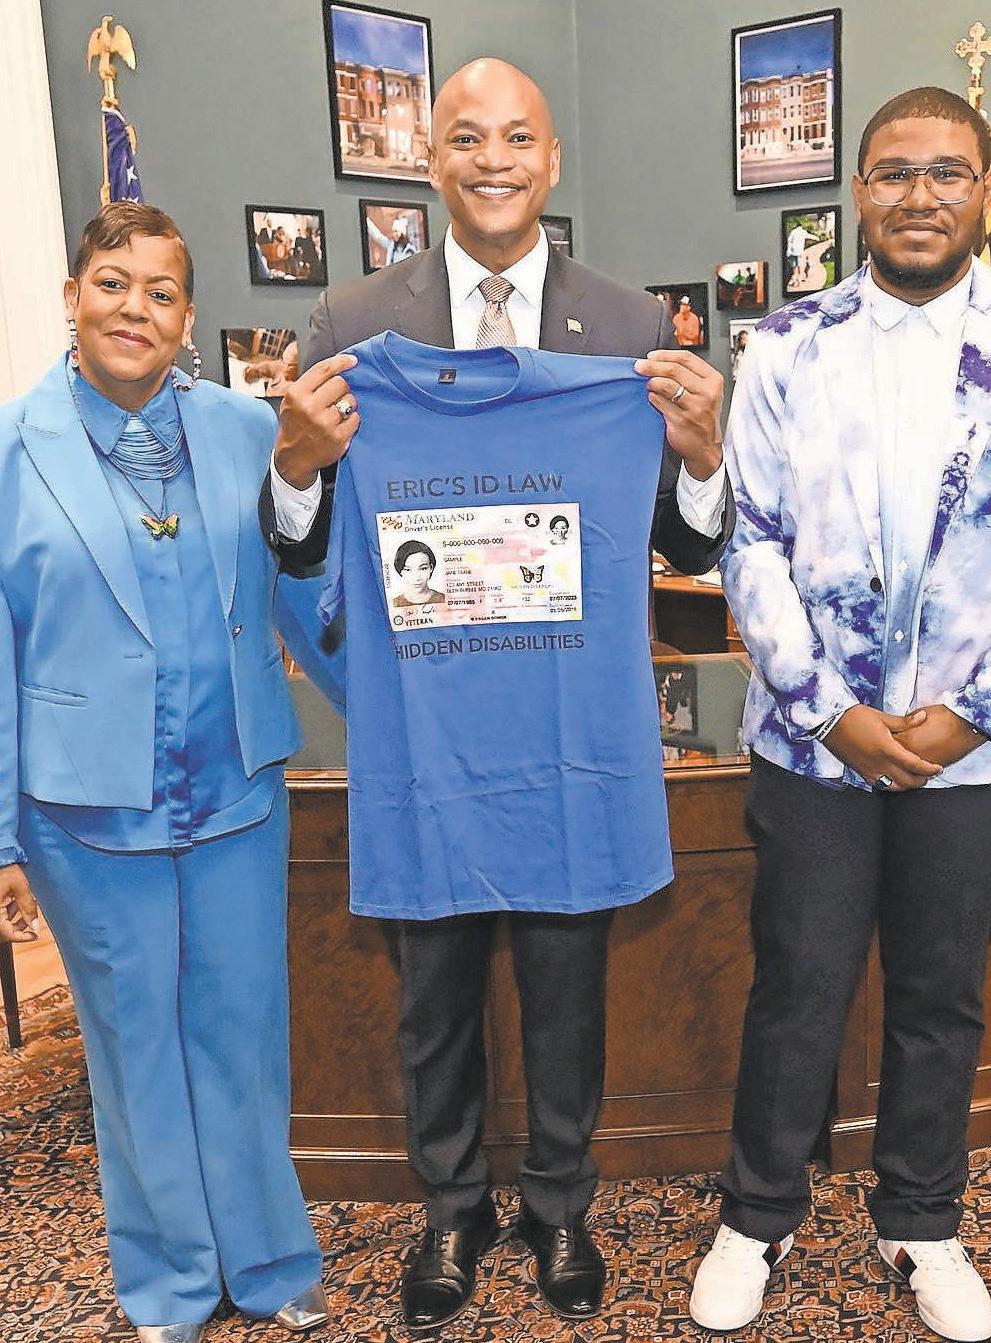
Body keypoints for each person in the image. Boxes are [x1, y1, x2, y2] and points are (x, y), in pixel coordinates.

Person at [259, 57, 733, 1331]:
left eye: (517, 137)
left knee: (568, 991)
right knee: (434, 999)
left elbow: (687, 546)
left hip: (570, 731)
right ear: (431, 160)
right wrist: (294, 466)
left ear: (550, 158)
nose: (492, 160)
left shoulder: (628, 326)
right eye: (465, 138)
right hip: (428, 738)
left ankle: (559, 1204)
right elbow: (303, 546)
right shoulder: (352, 325)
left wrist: (700, 454)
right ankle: (451, 1207)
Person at [692, 87, 991, 1343]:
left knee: (940, 991)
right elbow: (749, 538)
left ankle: (921, 1218)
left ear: (985, 189)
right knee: (796, 981)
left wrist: (976, 711)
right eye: (894, 171)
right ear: (856, 192)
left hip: (981, 750)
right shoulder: (782, 345)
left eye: (946, 172)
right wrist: (827, 710)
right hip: (813, 748)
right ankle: (756, 1214)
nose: (919, 195)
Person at [0, 203, 333, 1343]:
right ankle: (170, 1281)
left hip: (236, 785)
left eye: (160, 291)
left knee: (243, 1033)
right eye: (111, 283)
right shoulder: (12, 447)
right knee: (134, 1044)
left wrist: (405, 714)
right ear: (72, 297)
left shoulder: (249, 431)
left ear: (188, 317)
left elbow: (304, 587)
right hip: (83, 808)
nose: (133, 308)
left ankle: (270, 1259)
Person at [393, 538, 446, 606]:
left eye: (423, 568)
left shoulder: (443, 599)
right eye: (408, 570)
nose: (417, 578)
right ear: (400, 571)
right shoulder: (395, 604)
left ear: (431, 568)